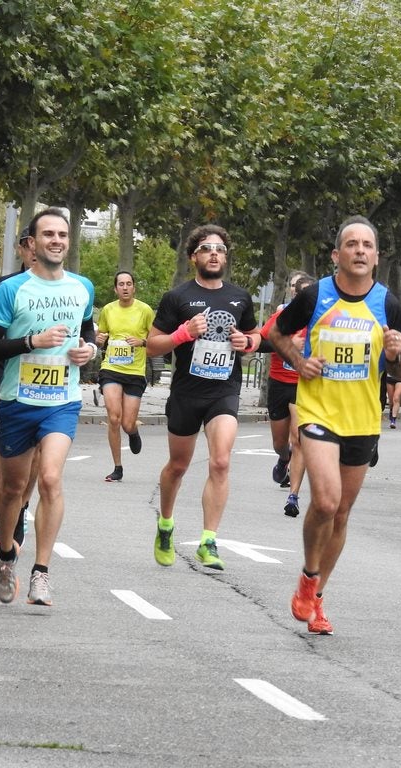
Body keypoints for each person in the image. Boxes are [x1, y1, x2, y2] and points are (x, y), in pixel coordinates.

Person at [269, 216, 401, 634]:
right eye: (352, 244)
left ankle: (316, 596)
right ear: (337, 255)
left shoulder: (388, 305)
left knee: (343, 512)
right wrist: (298, 361)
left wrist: (395, 354)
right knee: (326, 502)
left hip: (363, 418)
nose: (360, 251)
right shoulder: (315, 297)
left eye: (368, 245)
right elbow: (274, 332)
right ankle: (308, 576)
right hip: (317, 411)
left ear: (377, 256)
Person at [0, 208, 96, 607]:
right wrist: (32, 342)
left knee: (49, 479)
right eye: (48, 234)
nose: (57, 240)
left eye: (62, 234)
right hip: (18, 401)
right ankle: (7, 553)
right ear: (33, 241)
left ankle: (41, 573)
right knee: (12, 489)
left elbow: (88, 330)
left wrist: (89, 350)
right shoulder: (12, 288)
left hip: (62, 400)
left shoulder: (82, 287)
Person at [147, 224, 259, 572]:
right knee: (178, 466)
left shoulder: (240, 297)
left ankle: (209, 541)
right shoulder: (176, 297)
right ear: (194, 255)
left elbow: (254, 334)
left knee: (221, 461)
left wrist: (248, 343)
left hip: (223, 390)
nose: (214, 253)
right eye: (207, 248)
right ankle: (165, 524)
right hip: (186, 391)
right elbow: (153, 344)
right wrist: (183, 333)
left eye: (220, 249)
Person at [0, 228, 39, 549]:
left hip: (50, 375)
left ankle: (23, 507)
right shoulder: (6, 286)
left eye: (39, 242)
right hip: (10, 370)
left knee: (39, 447)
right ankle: (6, 509)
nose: (34, 249)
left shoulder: (66, 285)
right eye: (28, 244)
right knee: (8, 442)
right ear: (21, 249)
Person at [259, 273, 316, 517]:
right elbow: (261, 341)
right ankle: (284, 460)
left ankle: (293, 496)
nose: (301, 295)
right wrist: (288, 342)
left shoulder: (323, 319)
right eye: (297, 290)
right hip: (279, 383)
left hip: (305, 385)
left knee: (297, 438)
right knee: (281, 443)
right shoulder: (282, 316)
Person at [95, 270, 155, 482]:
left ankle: (132, 432)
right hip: (111, 368)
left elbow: (156, 340)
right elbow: (100, 337)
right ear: (115, 288)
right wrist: (99, 339)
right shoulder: (108, 310)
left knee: (127, 423)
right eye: (121, 284)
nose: (125, 287)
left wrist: (143, 342)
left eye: (129, 283)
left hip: (135, 372)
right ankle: (117, 467)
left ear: (134, 287)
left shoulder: (145, 310)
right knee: (113, 417)